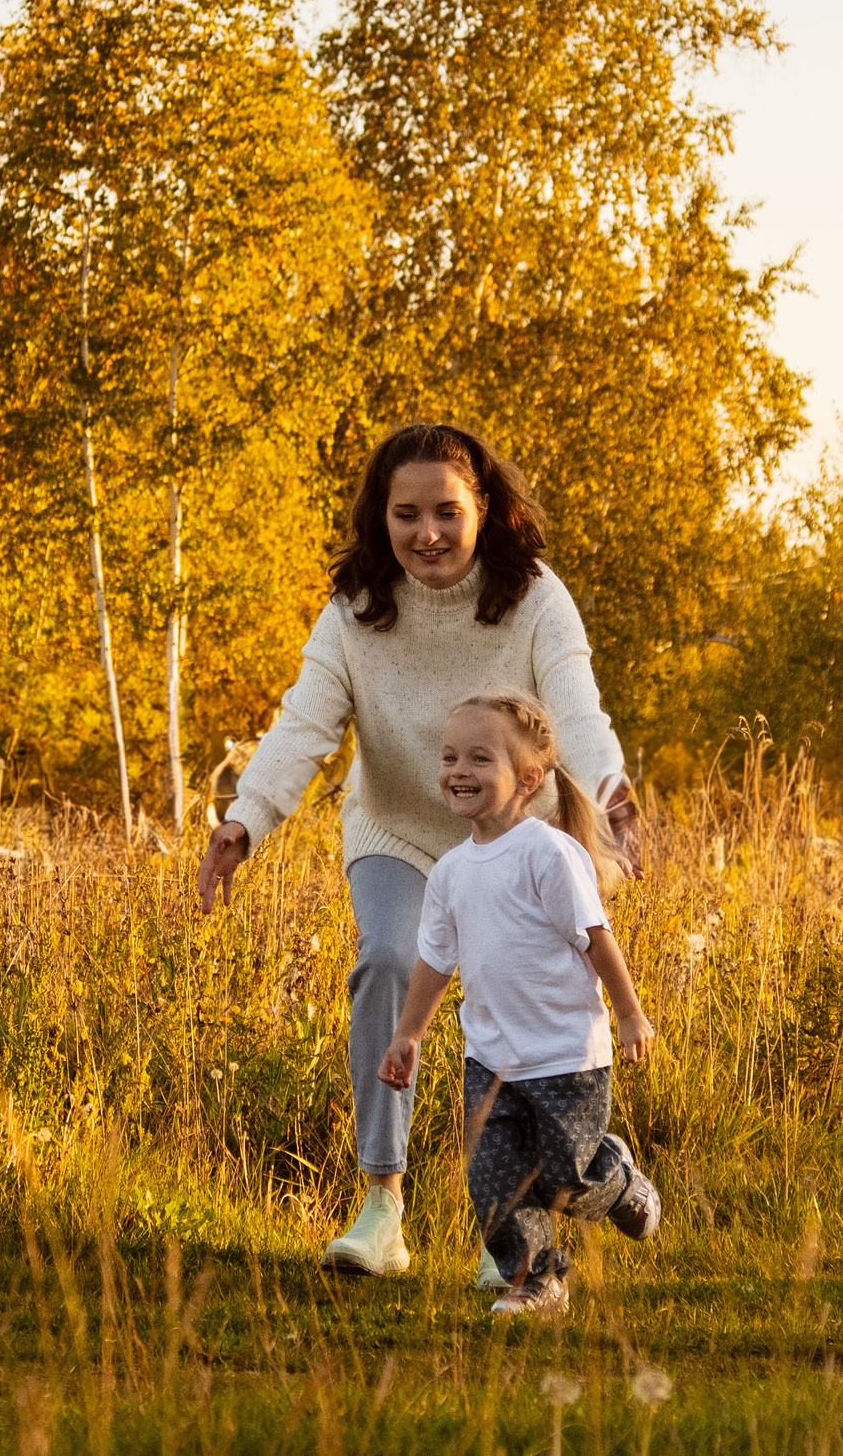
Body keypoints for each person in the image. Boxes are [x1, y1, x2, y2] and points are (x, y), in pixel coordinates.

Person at [195, 422, 641, 1279]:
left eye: (447, 512)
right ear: (381, 517)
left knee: (522, 1005)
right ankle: (382, 1207)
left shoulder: (535, 598)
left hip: (519, 837)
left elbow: (577, 709)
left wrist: (611, 791)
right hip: (397, 828)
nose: (427, 533)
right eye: (407, 515)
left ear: (485, 510)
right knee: (390, 962)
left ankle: (517, 1227)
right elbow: (304, 724)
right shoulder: (355, 612)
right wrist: (245, 820)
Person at [378, 691, 662, 1316]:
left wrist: (629, 1013)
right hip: (489, 1060)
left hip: (566, 1056)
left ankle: (616, 1178)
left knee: (564, 1177)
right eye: (449, 756)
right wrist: (408, 1034)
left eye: (480, 758)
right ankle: (538, 1281)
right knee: (495, 1182)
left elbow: (596, 938)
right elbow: (435, 961)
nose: (459, 770)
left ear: (529, 779)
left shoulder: (548, 854)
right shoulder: (450, 872)